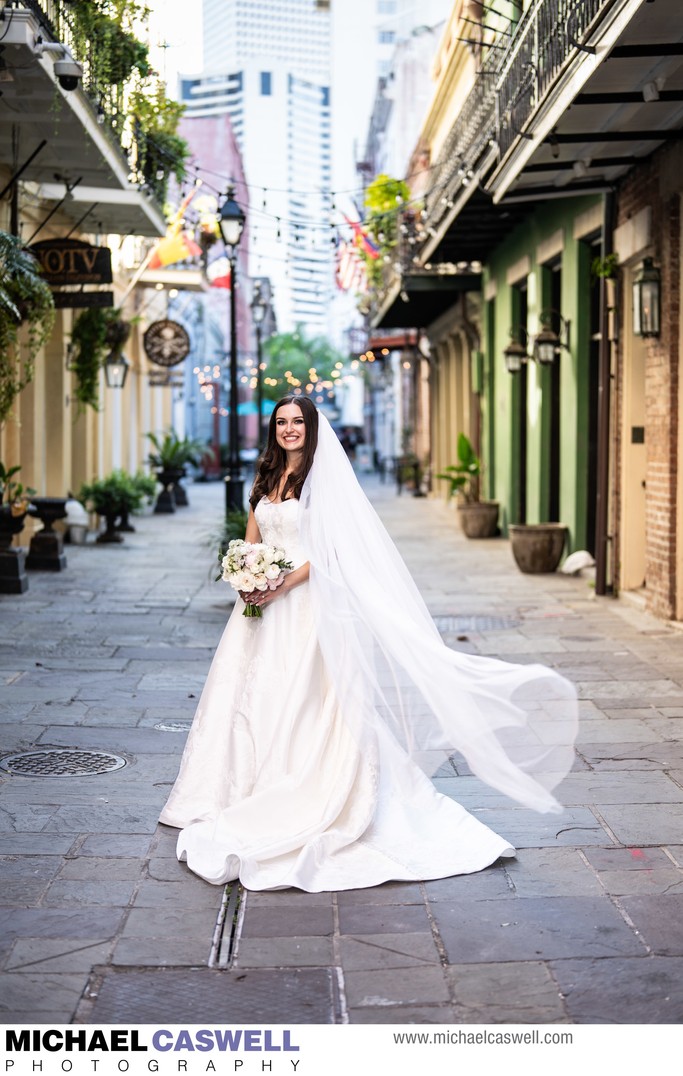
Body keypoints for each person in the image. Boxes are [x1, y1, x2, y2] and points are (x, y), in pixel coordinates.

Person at [160, 395, 577, 891]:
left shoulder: (322, 482)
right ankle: (238, 786)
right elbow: (254, 535)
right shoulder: (267, 478)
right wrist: (245, 573)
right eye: (281, 423)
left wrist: (282, 582)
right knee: (249, 694)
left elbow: (334, 551)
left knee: (305, 698)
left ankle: (306, 789)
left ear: (311, 429)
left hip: (303, 605)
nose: (289, 430)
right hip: (257, 609)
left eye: (297, 423)